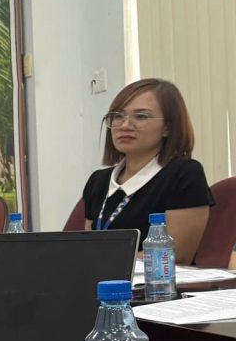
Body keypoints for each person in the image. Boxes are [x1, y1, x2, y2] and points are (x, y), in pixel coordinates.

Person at [81, 78, 212, 261]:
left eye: (141, 116)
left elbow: (175, 255)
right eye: (118, 116)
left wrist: (106, 263)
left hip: (156, 279)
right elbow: (88, 247)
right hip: (102, 278)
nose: (124, 125)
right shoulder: (98, 180)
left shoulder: (184, 174)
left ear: (168, 127)